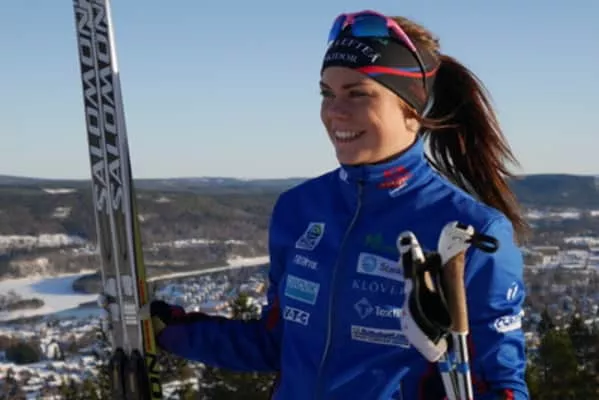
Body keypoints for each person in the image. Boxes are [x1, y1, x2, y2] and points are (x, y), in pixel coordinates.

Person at [145, 9, 530, 399]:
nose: (334, 111)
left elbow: (502, 385)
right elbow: (277, 342)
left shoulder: (469, 232)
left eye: (357, 93)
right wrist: (171, 331)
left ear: (412, 111)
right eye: (327, 93)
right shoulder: (299, 209)